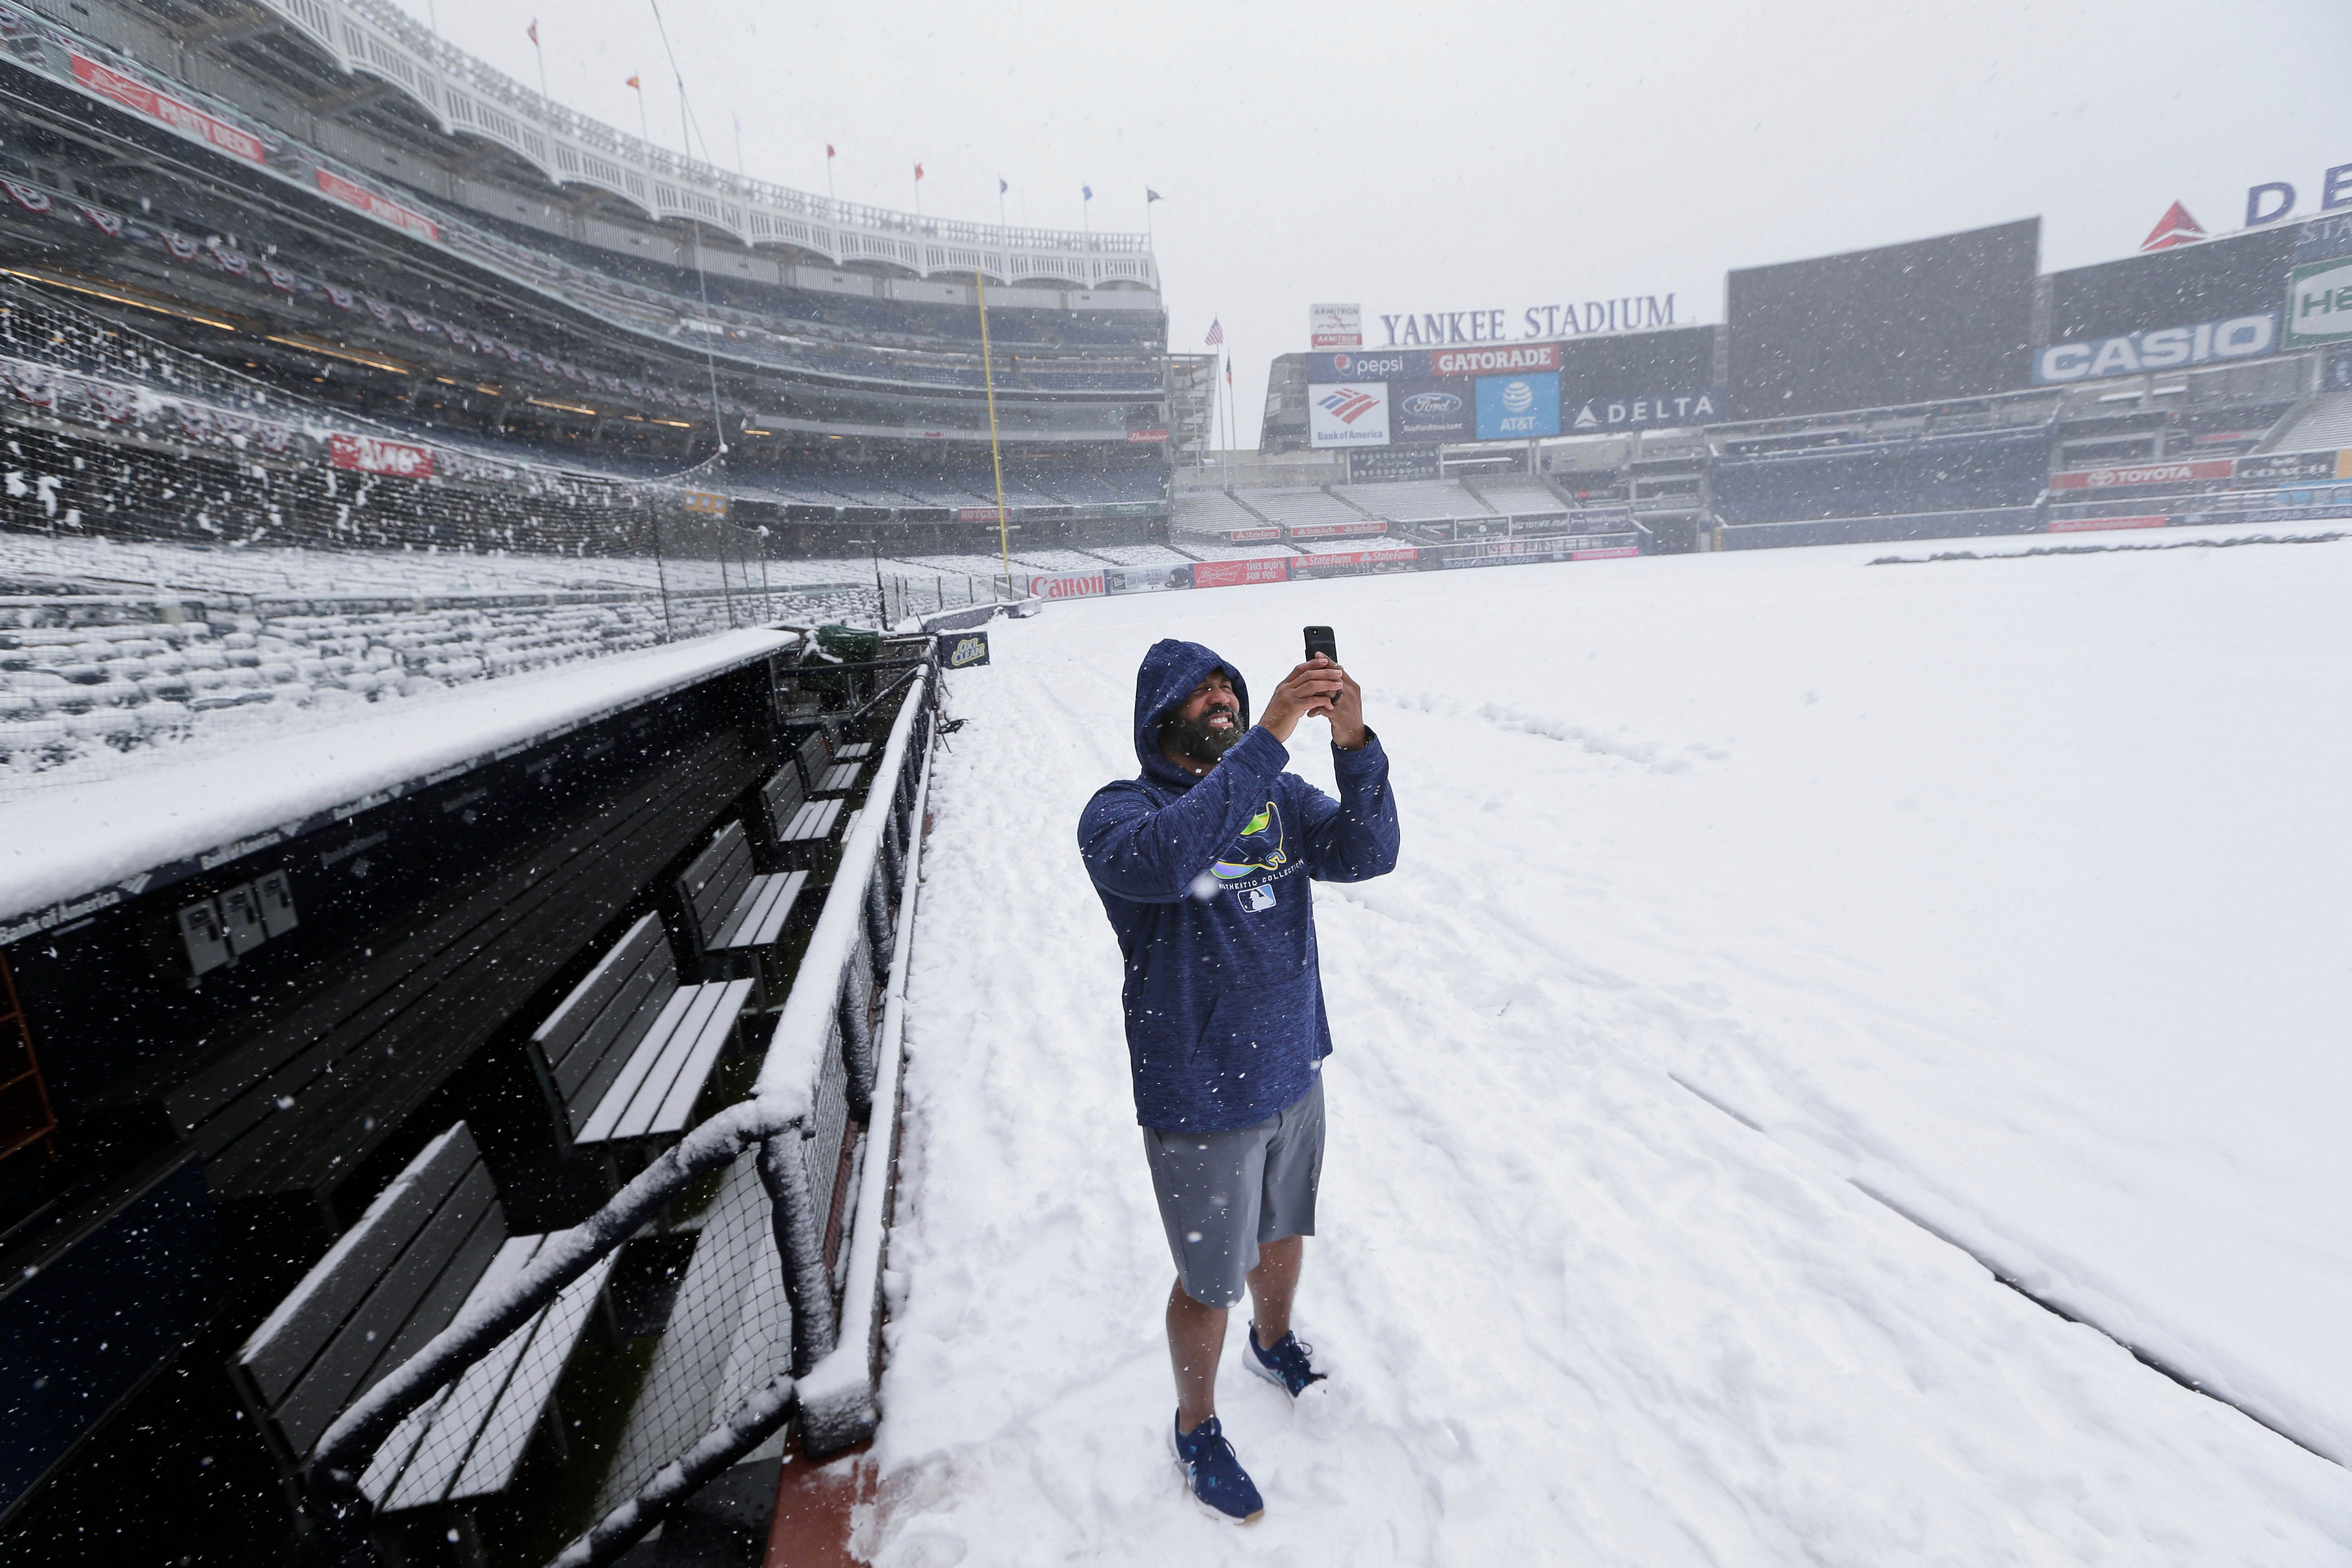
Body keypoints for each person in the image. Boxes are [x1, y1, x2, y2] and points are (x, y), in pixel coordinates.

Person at [1076, 637, 1401, 1523]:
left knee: (1284, 1229)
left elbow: (1369, 851)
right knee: (1209, 1277)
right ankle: (1196, 1423)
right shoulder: (1120, 813)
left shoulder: (1275, 794)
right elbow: (1171, 861)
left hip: (1295, 1062)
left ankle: (1276, 1341)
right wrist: (1268, 735)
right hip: (1203, 1091)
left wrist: (1354, 742)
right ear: (1163, 715)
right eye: (1205, 688)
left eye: (1231, 684)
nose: (1223, 694)